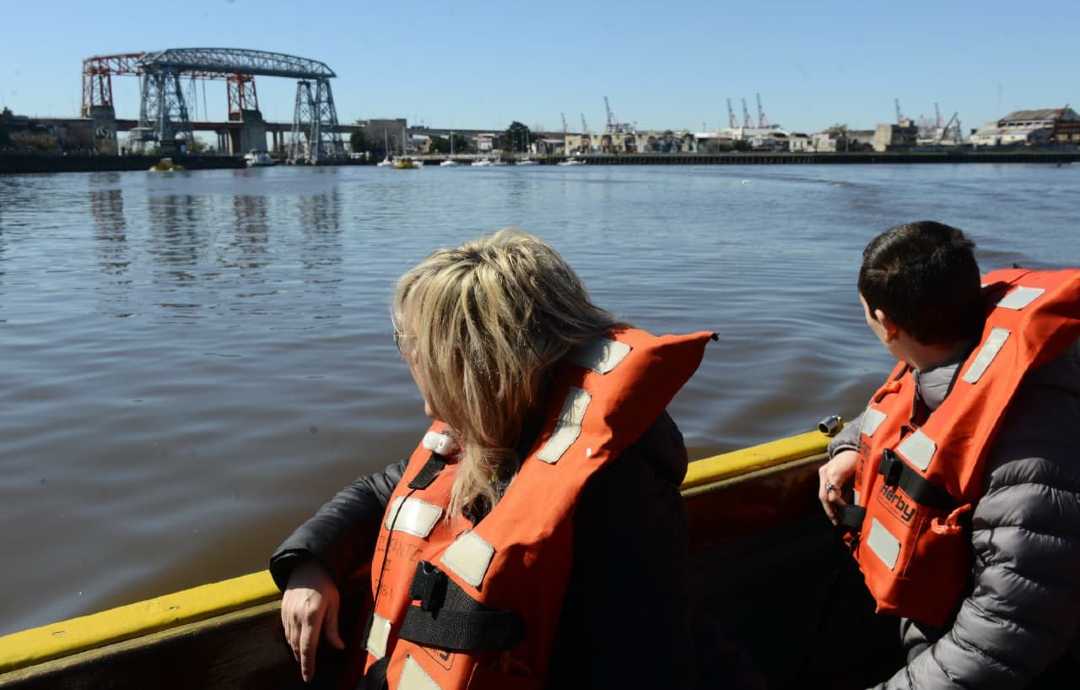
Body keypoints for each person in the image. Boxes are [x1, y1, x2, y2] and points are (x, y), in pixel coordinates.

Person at [270, 229, 713, 689]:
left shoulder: (614, 501)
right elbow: (383, 491)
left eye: (414, 345)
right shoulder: (487, 434)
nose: (408, 357)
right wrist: (310, 561)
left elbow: (646, 662)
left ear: (472, 366)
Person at [818, 221, 1080, 689]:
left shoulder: (1033, 462)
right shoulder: (959, 351)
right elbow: (910, 404)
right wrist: (849, 446)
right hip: (938, 617)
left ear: (885, 322)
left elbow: (1005, 636)